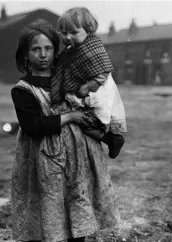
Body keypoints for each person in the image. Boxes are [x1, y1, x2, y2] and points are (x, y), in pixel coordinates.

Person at [11, 19, 121, 242]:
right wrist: (71, 117)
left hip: (79, 153)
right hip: (46, 158)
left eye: (48, 48)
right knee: (48, 210)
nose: (43, 55)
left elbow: (98, 91)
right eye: (36, 49)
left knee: (77, 204)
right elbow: (33, 126)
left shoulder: (70, 77)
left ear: (55, 50)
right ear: (25, 55)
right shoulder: (23, 89)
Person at [49, 7, 127, 159]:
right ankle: (110, 138)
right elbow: (64, 68)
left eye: (74, 32)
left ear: (89, 30)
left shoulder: (93, 47)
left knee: (88, 123)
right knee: (81, 121)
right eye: (64, 33)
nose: (68, 37)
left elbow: (103, 71)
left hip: (98, 90)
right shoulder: (72, 51)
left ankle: (112, 139)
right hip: (84, 92)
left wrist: (88, 86)